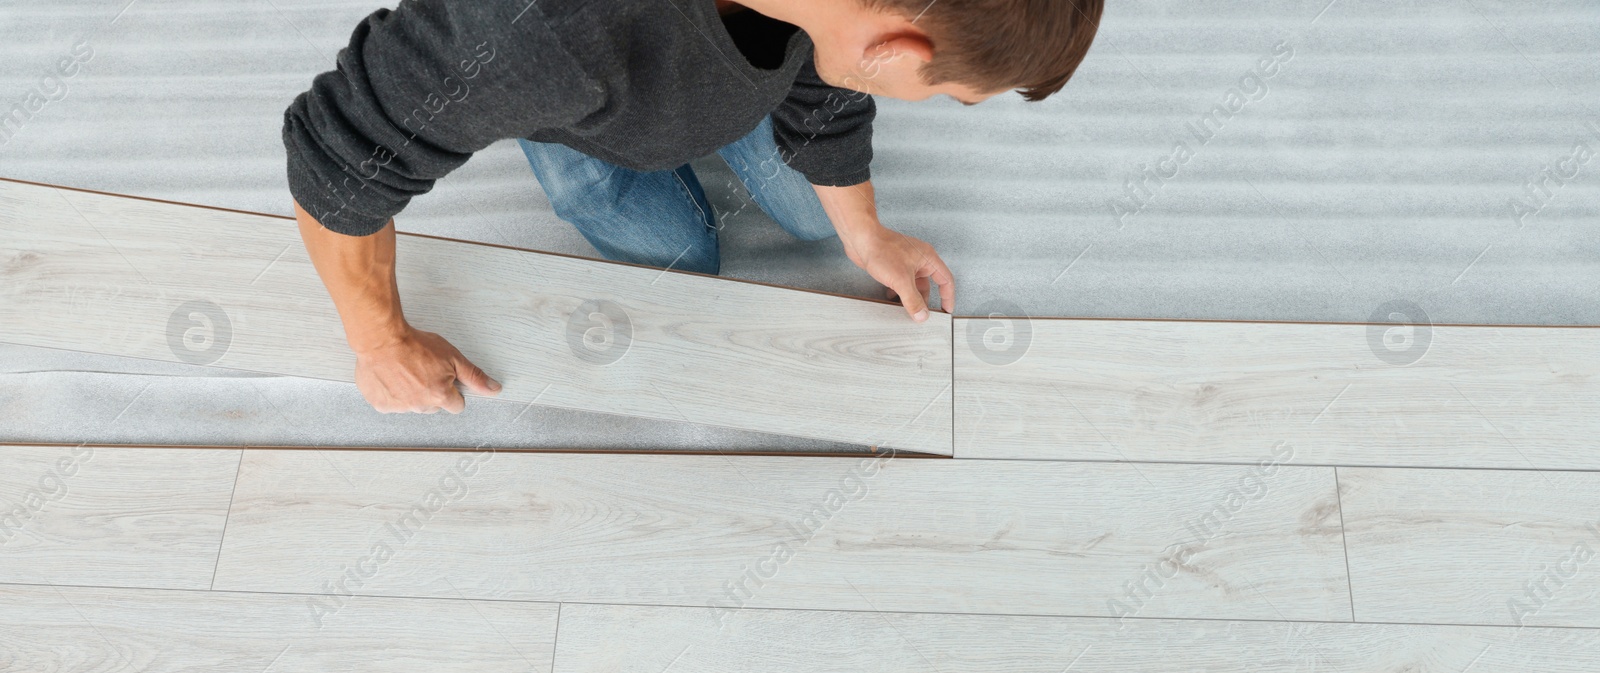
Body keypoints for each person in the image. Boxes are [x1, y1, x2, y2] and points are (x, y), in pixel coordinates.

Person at [283, 0, 1102, 413]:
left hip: (747, 58)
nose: (937, 103)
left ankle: (738, 108)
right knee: (678, 257)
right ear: (894, 48)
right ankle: (564, 145)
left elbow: (835, 71)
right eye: (947, 93)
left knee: (820, 216)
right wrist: (377, 340)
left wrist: (864, 230)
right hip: (581, 104)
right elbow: (337, 153)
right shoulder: (538, 39)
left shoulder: (849, 22)